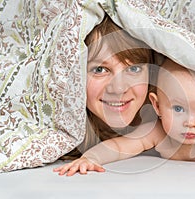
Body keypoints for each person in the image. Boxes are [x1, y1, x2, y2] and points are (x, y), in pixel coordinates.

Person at [54, 58, 195, 192]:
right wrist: (91, 158)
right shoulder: (156, 132)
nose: (192, 122)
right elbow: (122, 145)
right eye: (178, 109)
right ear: (156, 106)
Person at [60, 14, 158, 160]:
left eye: (133, 69)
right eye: (100, 70)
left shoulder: (168, 127)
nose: (119, 88)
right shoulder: (56, 139)